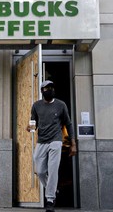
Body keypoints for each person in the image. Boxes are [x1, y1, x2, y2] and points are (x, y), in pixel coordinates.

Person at [26, 80, 77, 212]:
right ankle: (53, 188)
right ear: (42, 91)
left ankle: (50, 199)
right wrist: (30, 127)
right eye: (47, 88)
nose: (50, 90)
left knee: (53, 169)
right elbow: (34, 123)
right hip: (42, 140)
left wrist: (73, 143)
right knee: (40, 171)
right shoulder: (36, 105)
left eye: (52, 88)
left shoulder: (61, 105)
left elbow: (68, 124)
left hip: (56, 140)